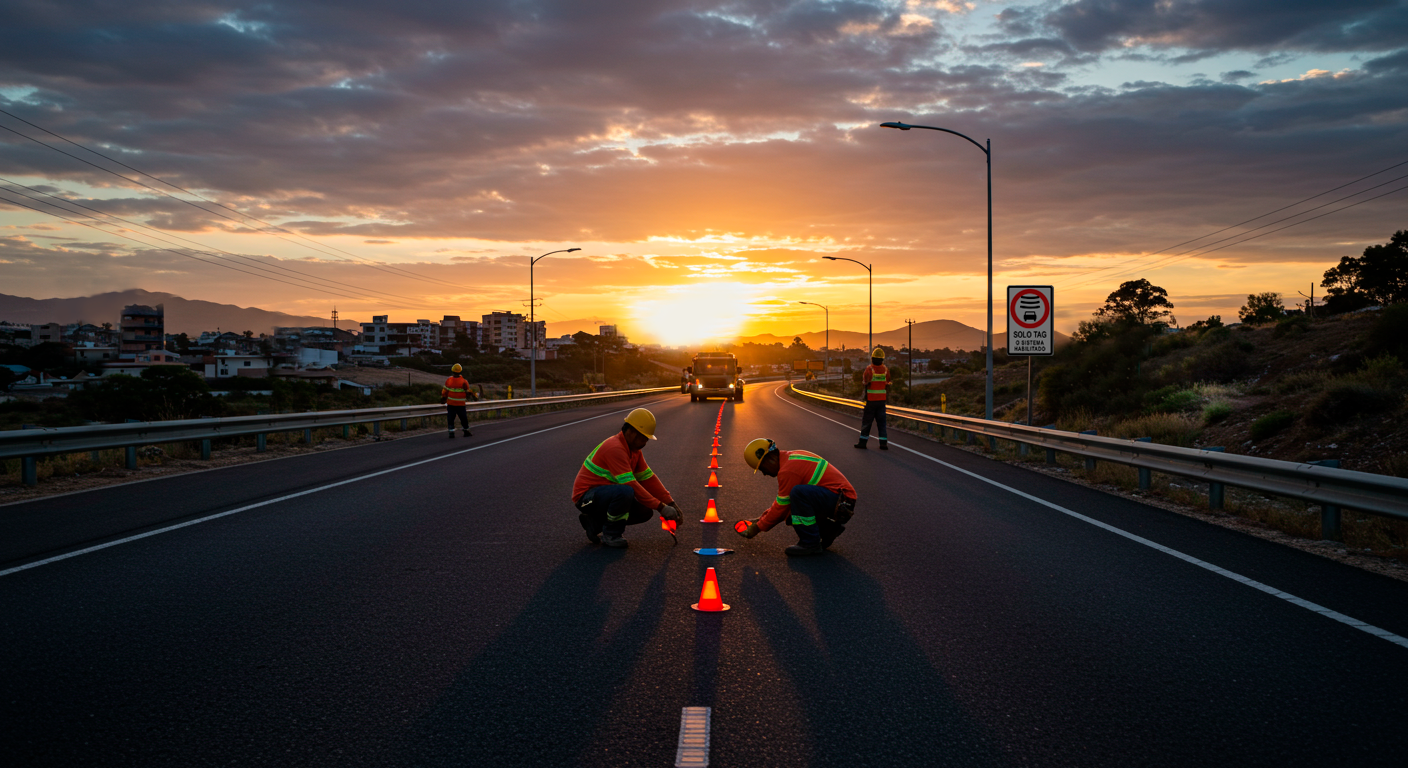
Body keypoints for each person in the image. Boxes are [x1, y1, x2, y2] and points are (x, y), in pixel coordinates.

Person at [572, 408, 682, 548]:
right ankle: (611, 534)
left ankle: (595, 522)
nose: (645, 442)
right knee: (625, 492)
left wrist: (670, 503)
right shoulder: (615, 448)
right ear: (631, 432)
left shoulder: (634, 451)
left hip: (602, 496)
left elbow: (648, 478)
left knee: (645, 511)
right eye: (643, 438)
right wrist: (661, 507)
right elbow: (631, 484)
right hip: (585, 499)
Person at [737, 438, 856, 556]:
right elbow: (783, 503)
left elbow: (780, 508)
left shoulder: (787, 470)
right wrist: (760, 519)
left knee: (798, 495)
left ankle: (810, 543)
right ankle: (828, 530)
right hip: (839, 498)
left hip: (840, 500)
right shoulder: (790, 457)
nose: (764, 473)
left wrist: (758, 527)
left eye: (762, 468)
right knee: (794, 507)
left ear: (770, 459)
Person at [855, 347, 889, 450]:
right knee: (882, 423)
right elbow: (888, 383)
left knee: (867, 422)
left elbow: (865, 382)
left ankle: (862, 443)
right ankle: (883, 444)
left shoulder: (869, 369)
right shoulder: (886, 370)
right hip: (882, 401)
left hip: (871, 401)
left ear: (872, 358)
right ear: (882, 359)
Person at [441, 363, 472, 439]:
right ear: (460, 371)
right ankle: (466, 431)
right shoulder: (464, 382)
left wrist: (443, 398)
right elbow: (468, 393)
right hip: (460, 404)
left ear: (452, 371)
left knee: (451, 418)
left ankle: (451, 432)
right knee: (463, 418)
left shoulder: (449, 380)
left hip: (451, 404)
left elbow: (445, 391)